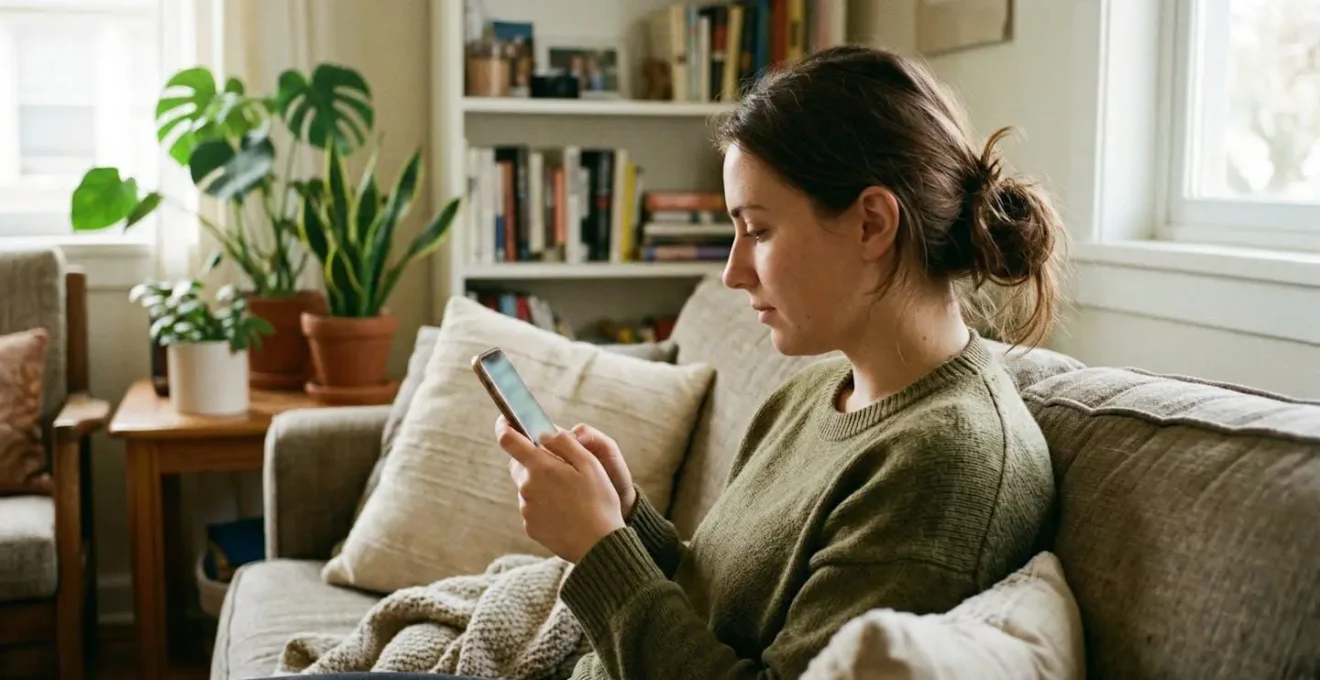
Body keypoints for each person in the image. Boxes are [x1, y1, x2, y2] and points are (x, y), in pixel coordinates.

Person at [495, 44, 1067, 679]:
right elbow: (717, 607)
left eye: (758, 230)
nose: (733, 273)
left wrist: (601, 551)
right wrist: (626, 517)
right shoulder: (816, 390)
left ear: (872, 223)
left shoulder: (949, 463)